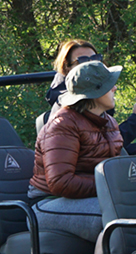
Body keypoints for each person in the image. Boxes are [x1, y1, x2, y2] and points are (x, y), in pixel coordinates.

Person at [29, 60, 124, 244]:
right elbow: (60, 182)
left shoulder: (110, 123)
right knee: (119, 216)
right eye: (109, 85)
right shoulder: (63, 125)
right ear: (94, 92)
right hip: (48, 203)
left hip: (93, 196)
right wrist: (110, 187)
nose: (115, 88)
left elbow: (115, 170)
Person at [44, 39, 136, 148]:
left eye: (96, 59)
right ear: (67, 67)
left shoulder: (97, 99)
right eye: (83, 60)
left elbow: (104, 145)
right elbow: (99, 148)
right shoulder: (66, 114)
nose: (91, 65)